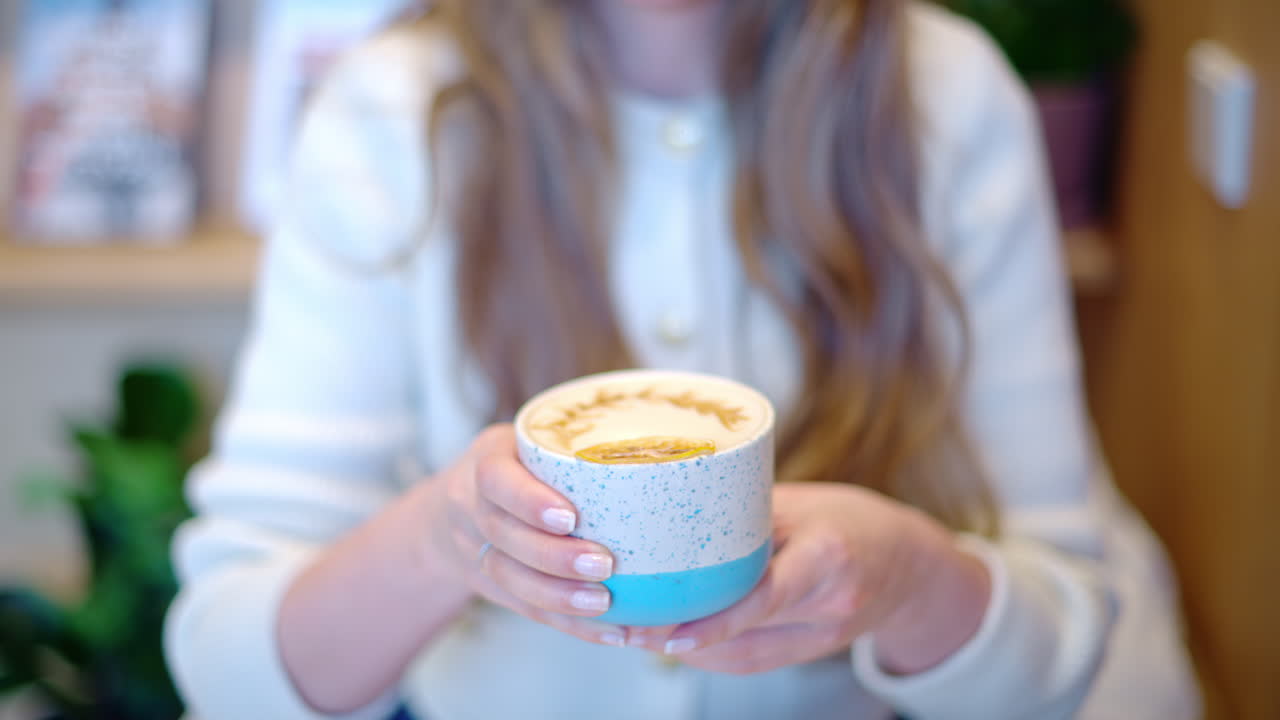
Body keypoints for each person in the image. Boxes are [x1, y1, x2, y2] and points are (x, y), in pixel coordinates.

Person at [164, 1, 1201, 718]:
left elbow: (1061, 653)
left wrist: (906, 579)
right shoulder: (387, 115)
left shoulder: (947, 99)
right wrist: (447, 538)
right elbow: (233, 660)